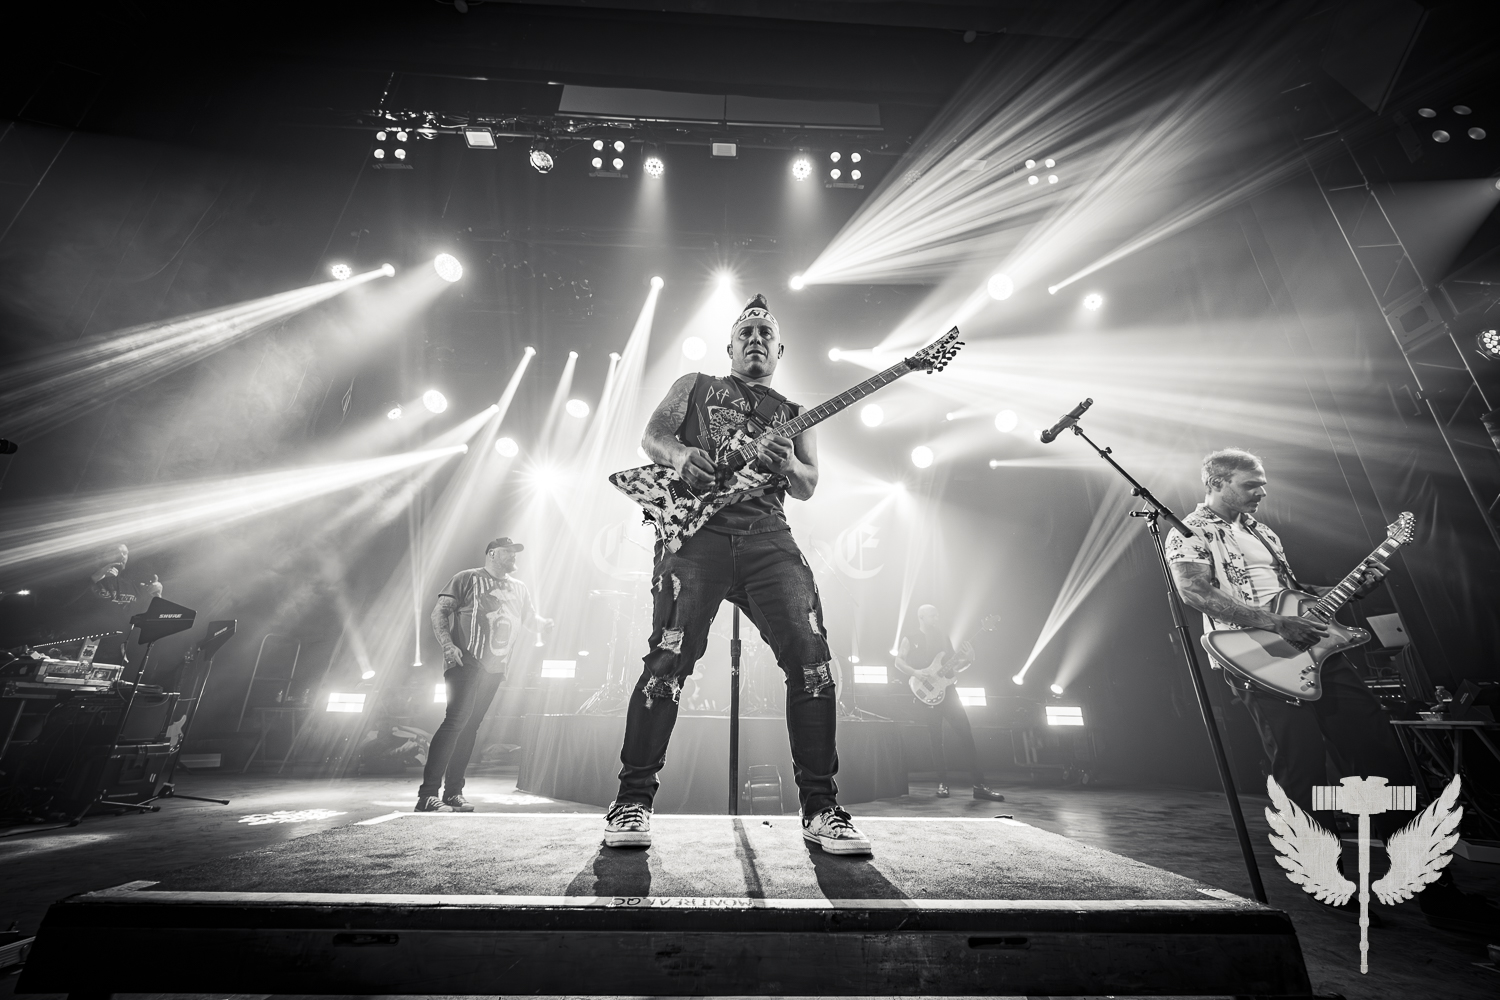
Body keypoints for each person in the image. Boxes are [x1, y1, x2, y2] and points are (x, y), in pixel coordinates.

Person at [1166, 448, 1499, 931]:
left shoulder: (1264, 533)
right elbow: (1195, 592)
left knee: (1383, 759)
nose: (1262, 491)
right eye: (1250, 484)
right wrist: (1276, 623)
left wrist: (1350, 589)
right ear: (1216, 483)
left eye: (1263, 483)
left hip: (1317, 652)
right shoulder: (1190, 531)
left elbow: (1292, 595)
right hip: (1260, 662)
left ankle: (1432, 885)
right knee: (1300, 770)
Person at [605, 293, 872, 855]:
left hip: (768, 538)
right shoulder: (696, 385)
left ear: (780, 350)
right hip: (695, 540)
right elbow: (653, 437)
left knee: (813, 660)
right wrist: (681, 458)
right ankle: (632, 801)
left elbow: (808, 484)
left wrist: (787, 463)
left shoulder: (795, 412)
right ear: (729, 346)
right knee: (668, 659)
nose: (755, 339)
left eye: (765, 333)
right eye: (745, 332)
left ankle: (821, 808)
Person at [416, 536, 552, 812]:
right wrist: (448, 645)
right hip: (465, 661)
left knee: (470, 727)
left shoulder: (520, 588)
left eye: (515, 552)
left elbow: (528, 619)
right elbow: (439, 613)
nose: (513, 556)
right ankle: (427, 795)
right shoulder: (466, 578)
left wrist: (544, 624)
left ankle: (453, 793)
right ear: (491, 554)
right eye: (507, 552)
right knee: (455, 722)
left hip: (495, 667)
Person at [895, 604, 1006, 801]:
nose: (936, 618)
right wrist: (916, 672)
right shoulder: (910, 638)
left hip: (948, 692)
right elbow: (898, 662)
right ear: (921, 617)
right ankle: (942, 783)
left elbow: (952, 668)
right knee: (936, 739)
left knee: (966, 735)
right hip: (926, 692)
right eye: (932, 615)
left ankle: (979, 785)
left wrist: (969, 659)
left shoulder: (943, 637)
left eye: (937, 615)